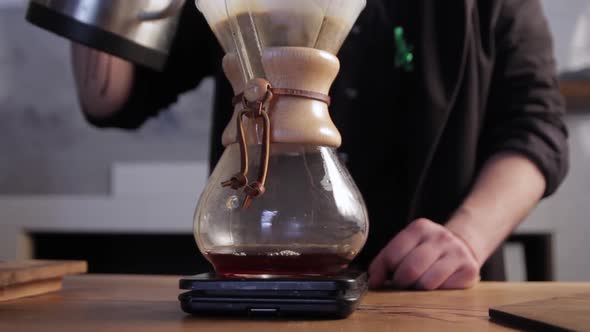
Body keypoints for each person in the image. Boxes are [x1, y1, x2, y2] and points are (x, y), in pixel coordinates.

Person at [71, 0, 569, 290]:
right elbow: (110, 99)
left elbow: (536, 126)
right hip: (259, 279)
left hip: (426, 288)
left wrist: (466, 237)